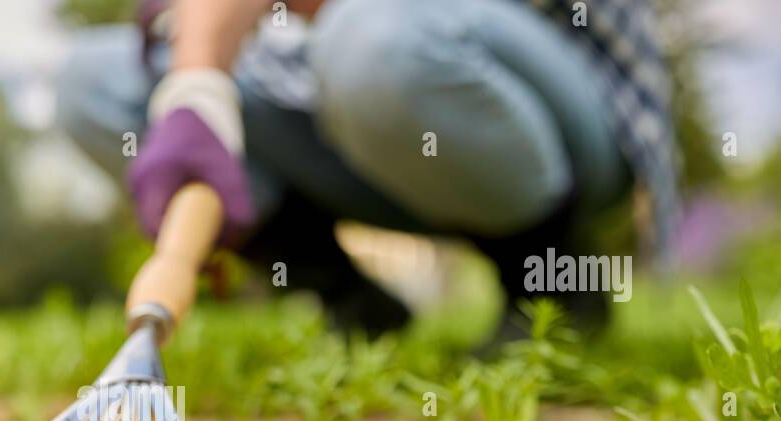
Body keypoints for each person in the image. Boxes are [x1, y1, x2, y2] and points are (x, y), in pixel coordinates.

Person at [56, 0, 679, 342]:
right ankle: (349, 302)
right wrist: (196, 91)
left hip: (549, 111)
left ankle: (550, 284)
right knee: (97, 80)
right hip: (352, 118)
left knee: (374, 36)